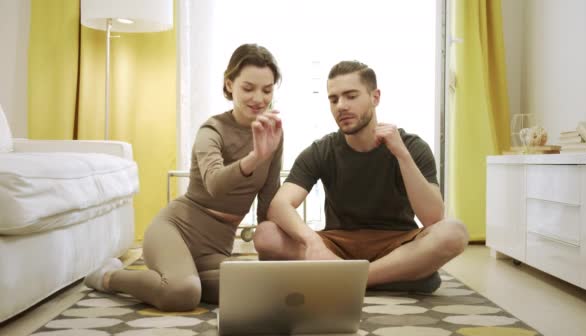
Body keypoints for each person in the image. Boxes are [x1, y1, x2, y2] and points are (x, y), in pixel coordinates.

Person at [84, 43, 283, 310]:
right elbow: (215, 185)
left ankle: (178, 277)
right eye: (248, 88)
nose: (259, 98)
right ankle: (110, 277)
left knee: (254, 286)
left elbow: (268, 202)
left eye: (267, 90)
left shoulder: (273, 135)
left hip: (215, 248)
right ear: (229, 84)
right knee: (183, 294)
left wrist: (271, 265)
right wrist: (255, 157)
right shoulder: (212, 130)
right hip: (175, 230)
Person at [253, 60, 468, 293]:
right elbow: (279, 206)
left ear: (375, 97)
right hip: (338, 244)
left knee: (454, 233)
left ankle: (352, 277)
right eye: (333, 99)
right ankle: (397, 276)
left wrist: (401, 155)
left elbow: (433, 217)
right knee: (266, 234)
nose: (341, 106)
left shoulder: (411, 146)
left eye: (351, 96)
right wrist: (313, 242)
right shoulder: (321, 150)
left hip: (398, 243)